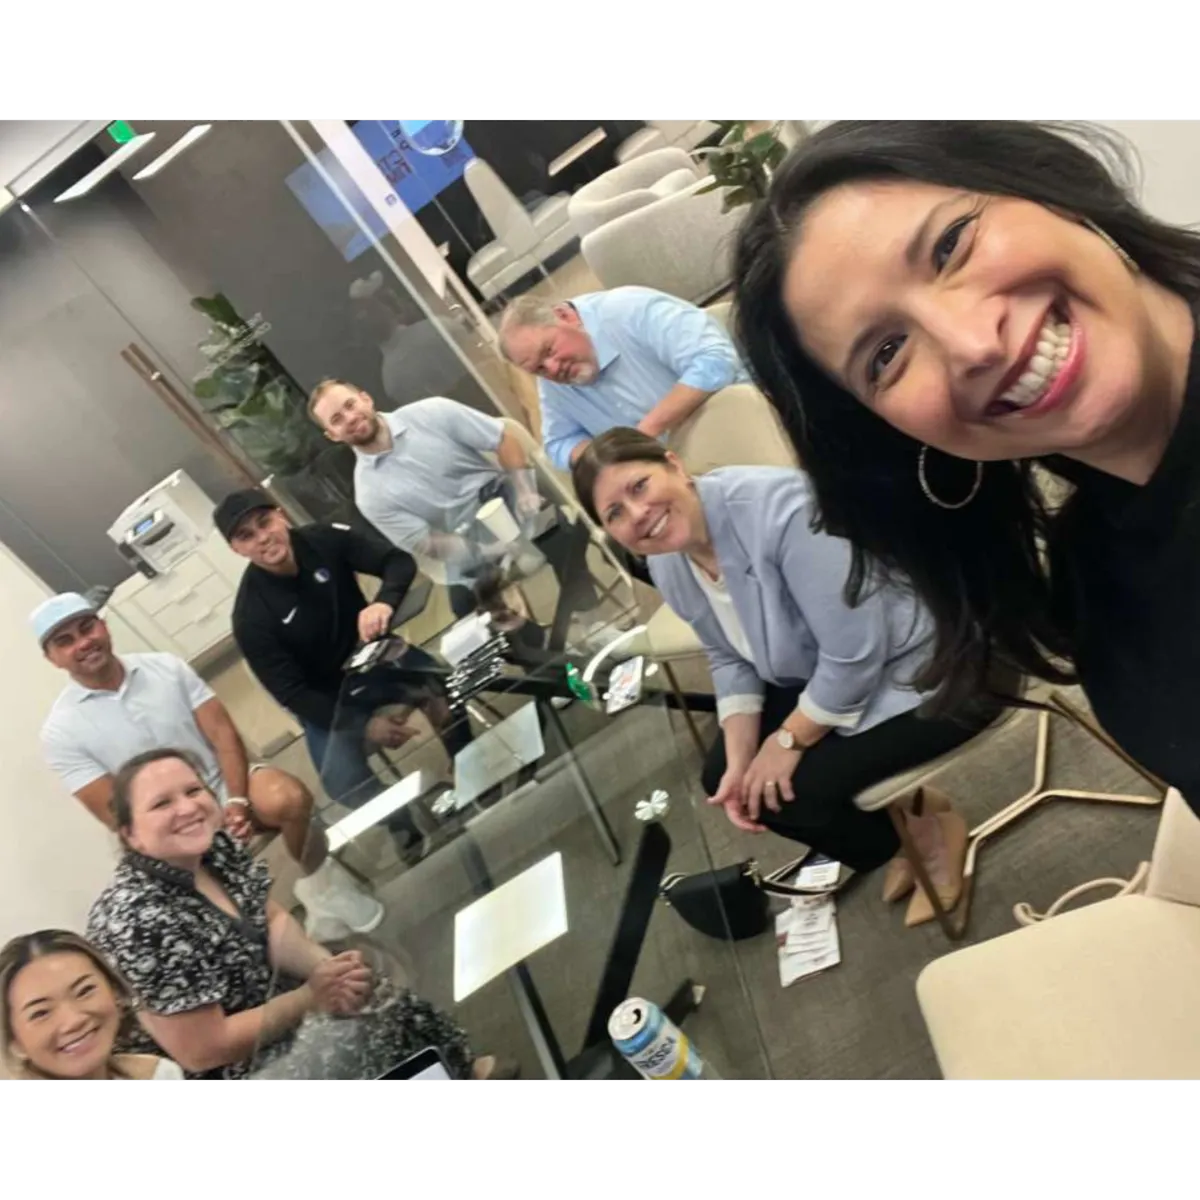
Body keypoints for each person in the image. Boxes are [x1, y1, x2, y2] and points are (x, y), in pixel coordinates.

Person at [731, 118, 1200, 816]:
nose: (973, 344)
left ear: (1053, 191)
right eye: (886, 354)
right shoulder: (1091, 579)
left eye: (951, 246)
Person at [573, 429, 1001, 923]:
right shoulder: (668, 559)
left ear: (675, 465)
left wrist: (787, 741)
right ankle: (912, 825)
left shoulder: (783, 512)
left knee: (793, 792)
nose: (637, 514)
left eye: (639, 486)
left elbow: (854, 652)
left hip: (934, 662)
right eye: (615, 514)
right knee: (729, 779)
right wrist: (742, 756)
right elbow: (728, 655)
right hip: (825, 665)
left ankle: (924, 837)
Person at [86, 748, 512, 1081]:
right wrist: (311, 997)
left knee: (371, 988)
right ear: (130, 834)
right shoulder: (134, 920)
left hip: (277, 995)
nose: (187, 808)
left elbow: (270, 920)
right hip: (235, 1064)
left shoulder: (215, 846)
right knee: (357, 1039)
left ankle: (457, 1068)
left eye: (193, 791)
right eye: (162, 803)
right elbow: (203, 1050)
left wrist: (329, 970)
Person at [34, 592, 382, 941]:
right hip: (165, 822)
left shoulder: (166, 667)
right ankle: (256, 935)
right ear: (52, 659)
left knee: (288, 799)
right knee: (193, 885)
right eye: (65, 641)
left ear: (104, 626)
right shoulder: (61, 731)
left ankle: (322, 888)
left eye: (87, 628)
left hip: (221, 785)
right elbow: (116, 813)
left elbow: (222, 736)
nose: (83, 642)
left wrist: (236, 802)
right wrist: (193, 827)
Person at [216, 487, 472, 857]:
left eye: (264, 522)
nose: (262, 537)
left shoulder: (322, 540)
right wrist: (363, 725)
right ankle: (404, 822)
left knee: (442, 684)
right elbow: (292, 694)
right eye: (246, 535)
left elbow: (397, 562)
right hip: (326, 697)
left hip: (376, 657)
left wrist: (383, 603)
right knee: (339, 779)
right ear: (236, 549)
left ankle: (467, 765)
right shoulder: (250, 617)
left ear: (281, 515)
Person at [307, 380, 598, 622]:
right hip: (461, 541)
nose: (350, 418)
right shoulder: (369, 495)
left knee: (559, 533)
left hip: (502, 500)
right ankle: (549, 661)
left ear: (365, 398)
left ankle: (591, 620)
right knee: (469, 611)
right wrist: (488, 551)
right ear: (332, 435)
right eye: (337, 419)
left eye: (350, 405)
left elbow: (503, 439)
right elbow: (428, 543)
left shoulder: (432, 412)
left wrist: (525, 491)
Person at [498, 286, 751, 472]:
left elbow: (715, 360)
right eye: (538, 369)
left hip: (739, 430)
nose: (552, 369)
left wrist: (645, 433)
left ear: (564, 315)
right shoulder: (552, 379)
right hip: (674, 475)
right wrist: (610, 455)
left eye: (549, 350)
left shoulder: (627, 310)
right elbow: (558, 443)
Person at [0, 929, 183, 1082]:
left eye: (84, 991)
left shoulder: (158, 1075)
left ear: (115, 992)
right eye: (41, 1013)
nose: (74, 1021)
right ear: (14, 1042)